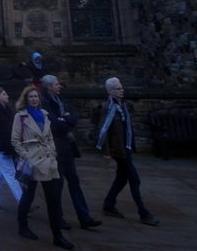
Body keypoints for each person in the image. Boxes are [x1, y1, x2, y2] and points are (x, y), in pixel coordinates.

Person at [11, 85, 74, 249]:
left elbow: (50, 136)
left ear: (39, 99)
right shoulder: (21, 117)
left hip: (47, 160)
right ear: (26, 99)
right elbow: (15, 141)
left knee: (53, 199)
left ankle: (57, 236)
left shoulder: (45, 114)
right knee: (28, 196)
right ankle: (22, 226)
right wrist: (27, 157)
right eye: (30, 97)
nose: (33, 99)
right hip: (32, 162)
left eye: (35, 96)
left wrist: (53, 153)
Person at [96, 77, 160, 226]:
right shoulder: (109, 107)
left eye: (121, 88)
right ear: (110, 91)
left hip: (126, 147)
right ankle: (143, 213)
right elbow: (103, 130)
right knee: (134, 179)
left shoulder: (121, 106)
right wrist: (106, 152)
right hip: (119, 151)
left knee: (122, 178)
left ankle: (108, 204)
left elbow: (125, 128)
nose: (121, 90)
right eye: (118, 89)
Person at [41, 75, 101, 230]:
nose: (59, 86)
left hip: (67, 147)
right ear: (48, 87)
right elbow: (54, 125)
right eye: (56, 84)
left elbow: (74, 117)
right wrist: (65, 120)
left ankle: (84, 217)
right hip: (55, 149)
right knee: (57, 185)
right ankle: (57, 218)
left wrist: (65, 120)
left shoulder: (61, 100)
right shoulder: (45, 102)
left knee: (74, 182)